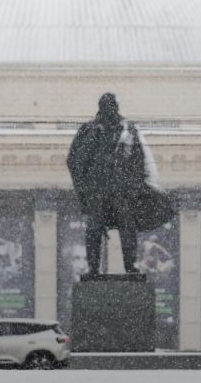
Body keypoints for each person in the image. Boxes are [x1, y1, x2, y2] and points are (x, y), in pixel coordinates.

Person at [67, 93, 166, 274]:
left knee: (127, 226)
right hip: (98, 190)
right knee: (94, 228)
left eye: (113, 106)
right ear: (101, 108)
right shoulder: (88, 130)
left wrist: (137, 185)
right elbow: (74, 160)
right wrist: (83, 191)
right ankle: (93, 268)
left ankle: (131, 266)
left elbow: (140, 159)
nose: (111, 110)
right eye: (107, 106)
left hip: (121, 190)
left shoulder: (128, 129)